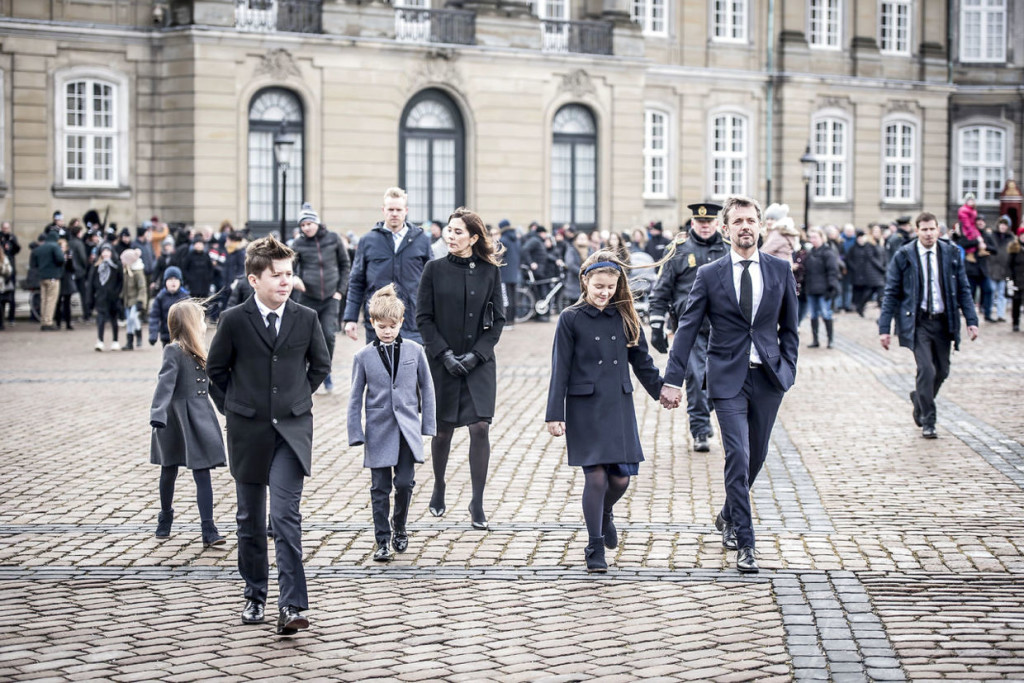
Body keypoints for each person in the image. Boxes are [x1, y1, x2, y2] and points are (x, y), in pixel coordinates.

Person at [660, 196, 799, 574]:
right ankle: (745, 541)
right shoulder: (710, 274)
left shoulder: (779, 270)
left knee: (757, 456)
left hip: (769, 378)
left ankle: (727, 513)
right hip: (727, 379)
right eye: (737, 221)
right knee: (737, 455)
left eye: (751, 221)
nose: (745, 227)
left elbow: (790, 328)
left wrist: (789, 369)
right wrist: (672, 380)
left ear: (761, 226)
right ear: (726, 229)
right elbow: (687, 329)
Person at [207, 234, 331, 636]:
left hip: (291, 432)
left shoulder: (305, 318)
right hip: (247, 431)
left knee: (284, 516)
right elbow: (216, 372)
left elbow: (320, 366)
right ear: (254, 279)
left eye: (289, 274)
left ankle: (292, 604)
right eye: (276, 275)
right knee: (248, 518)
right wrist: (236, 408)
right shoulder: (234, 320)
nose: (285, 281)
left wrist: (295, 402)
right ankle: (255, 593)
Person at [546, 250, 664, 572]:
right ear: (585, 281)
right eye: (599, 286)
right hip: (585, 406)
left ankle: (605, 513)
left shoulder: (625, 316)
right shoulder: (570, 318)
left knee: (621, 479)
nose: (604, 292)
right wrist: (555, 414)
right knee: (596, 478)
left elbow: (643, 362)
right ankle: (594, 546)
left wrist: (662, 390)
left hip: (617, 404)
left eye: (610, 287)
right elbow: (561, 368)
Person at [416, 208, 506, 529]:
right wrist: (444, 355)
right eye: (449, 231)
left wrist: (477, 355)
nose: (450, 236)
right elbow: (423, 319)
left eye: (457, 232)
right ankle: (439, 485)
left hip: (479, 363)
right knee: (443, 431)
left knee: (479, 427)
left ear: (474, 238)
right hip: (443, 363)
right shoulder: (433, 269)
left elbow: (498, 320)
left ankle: (477, 502)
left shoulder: (490, 272)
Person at [348, 285, 437, 562]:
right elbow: (354, 396)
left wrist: (428, 426)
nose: (387, 331)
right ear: (372, 323)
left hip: (407, 430)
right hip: (378, 429)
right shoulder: (362, 357)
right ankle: (382, 540)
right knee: (379, 488)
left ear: (401, 323)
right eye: (381, 326)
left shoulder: (415, 350)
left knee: (405, 483)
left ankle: (400, 526)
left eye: (392, 325)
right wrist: (356, 432)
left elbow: (427, 388)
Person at [879, 212, 980, 439]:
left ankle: (920, 400)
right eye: (923, 229)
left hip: (944, 321)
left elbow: (964, 289)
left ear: (938, 230)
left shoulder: (951, 253)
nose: (928, 233)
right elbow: (891, 293)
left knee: (942, 370)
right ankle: (929, 420)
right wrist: (884, 328)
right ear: (917, 231)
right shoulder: (904, 255)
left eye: (931, 229)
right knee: (926, 369)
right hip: (918, 322)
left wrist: (972, 321)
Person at [648, 201, 728, 453]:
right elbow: (661, 292)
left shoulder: (728, 250)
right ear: (693, 223)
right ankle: (701, 430)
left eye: (709, 223)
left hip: (722, 329)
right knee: (694, 379)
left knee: (720, 380)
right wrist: (657, 325)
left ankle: (708, 408)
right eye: (700, 223)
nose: (705, 227)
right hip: (690, 328)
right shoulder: (678, 251)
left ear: (717, 224)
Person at [149, 299, 228, 547]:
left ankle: (209, 528)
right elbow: (164, 384)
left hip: (200, 417)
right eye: (201, 321)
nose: (205, 325)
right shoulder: (173, 351)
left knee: (202, 472)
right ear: (190, 325)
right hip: (175, 420)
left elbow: (213, 387)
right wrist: (158, 414)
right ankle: (165, 516)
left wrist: (230, 411)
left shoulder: (203, 353)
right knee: (168, 470)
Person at [344, 187, 432, 344]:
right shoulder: (368, 241)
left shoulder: (421, 240)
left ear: (406, 210)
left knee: (410, 367)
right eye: (390, 209)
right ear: (383, 210)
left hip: (412, 321)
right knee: (379, 367)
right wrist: (351, 318)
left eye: (398, 209)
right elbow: (357, 281)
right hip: (379, 322)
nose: (394, 213)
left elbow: (432, 281)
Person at [291, 203, 351, 393]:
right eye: (302, 225)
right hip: (307, 298)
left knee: (328, 335)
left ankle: (325, 371)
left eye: (309, 223)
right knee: (305, 337)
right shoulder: (298, 244)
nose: (306, 228)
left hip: (330, 298)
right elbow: (289, 267)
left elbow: (345, 265)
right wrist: (294, 278)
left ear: (316, 222)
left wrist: (340, 291)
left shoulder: (333, 239)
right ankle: (307, 371)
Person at [803, 226, 840, 349]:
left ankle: (830, 340)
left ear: (821, 237)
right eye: (811, 237)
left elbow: (833, 271)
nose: (812, 240)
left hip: (824, 289)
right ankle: (815, 340)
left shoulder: (828, 252)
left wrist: (832, 287)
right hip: (811, 288)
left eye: (815, 237)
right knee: (813, 315)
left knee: (826, 314)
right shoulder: (809, 253)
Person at [90, 244, 123, 351]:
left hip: (113, 297)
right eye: (103, 251)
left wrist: (117, 293)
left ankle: (115, 340)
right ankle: (100, 340)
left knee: (114, 319)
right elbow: (91, 282)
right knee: (100, 319)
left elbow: (121, 281)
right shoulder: (96, 266)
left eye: (107, 251)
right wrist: (92, 296)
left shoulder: (117, 265)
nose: (105, 253)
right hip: (101, 297)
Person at [846, 229, 887, 316]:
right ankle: (882, 313)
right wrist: (882, 267)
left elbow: (883, 256)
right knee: (879, 291)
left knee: (871, 292)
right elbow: (872, 258)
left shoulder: (880, 243)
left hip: (879, 272)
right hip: (872, 271)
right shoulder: (869, 244)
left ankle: (861, 306)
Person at [31, 229, 64, 331]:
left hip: (42, 277)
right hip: (53, 276)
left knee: (44, 300)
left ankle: (43, 321)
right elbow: (60, 259)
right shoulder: (55, 246)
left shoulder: (39, 248)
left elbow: (33, 264)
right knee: (51, 300)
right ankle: (48, 322)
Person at [149, 266, 190, 347]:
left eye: (176, 279)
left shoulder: (185, 297)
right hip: (166, 336)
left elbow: (192, 318)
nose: (173, 282)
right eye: (170, 279)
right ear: (165, 282)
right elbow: (154, 317)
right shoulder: (160, 297)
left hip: (182, 337)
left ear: (180, 281)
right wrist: (153, 334)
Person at [121, 248, 148, 350]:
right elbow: (125, 288)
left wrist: (141, 301)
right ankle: (130, 341)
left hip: (136, 301)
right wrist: (121, 297)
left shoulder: (137, 272)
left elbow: (142, 288)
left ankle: (138, 335)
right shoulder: (127, 271)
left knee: (132, 318)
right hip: (128, 300)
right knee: (130, 320)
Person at [989, 216, 1014, 322]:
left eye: (1005, 225)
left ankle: (1001, 314)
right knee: (991, 291)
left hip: (1004, 269)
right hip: (992, 268)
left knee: (1002, 294)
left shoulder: (1011, 238)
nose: (1003, 227)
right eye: (1002, 224)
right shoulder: (991, 236)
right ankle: (989, 312)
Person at [497, 219, 520, 325]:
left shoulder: (503, 240)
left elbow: (498, 257)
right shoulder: (516, 240)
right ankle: (512, 320)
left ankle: (507, 321)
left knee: (506, 299)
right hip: (514, 273)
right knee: (513, 298)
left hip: (505, 274)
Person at [0, 221, 20, 325]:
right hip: (1, 270)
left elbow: (17, 249)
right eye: (4, 228)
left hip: (10, 269)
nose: (6, 230)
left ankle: (11, 318)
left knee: (11, 294)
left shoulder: (12, 237)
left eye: (7, 228)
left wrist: (12, 242)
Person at [1008, 226, 1024, 331]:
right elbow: (1009, 265)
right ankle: (1015, 322)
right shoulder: (1014, 247)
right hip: (1017, 279)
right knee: (1016, 302)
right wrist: (1010, 279)